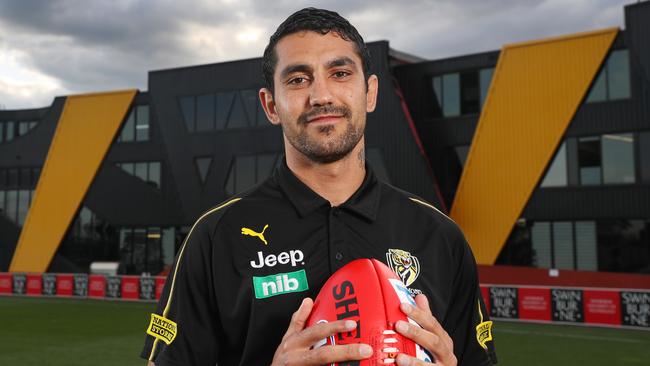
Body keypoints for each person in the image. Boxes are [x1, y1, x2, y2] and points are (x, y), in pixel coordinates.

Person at [141, 7, 496, 366]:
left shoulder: (439, 235)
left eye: (340, 73)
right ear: (271, 105)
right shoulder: (216, 237)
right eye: (297, 79)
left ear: (370, 93)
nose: (321, 95)